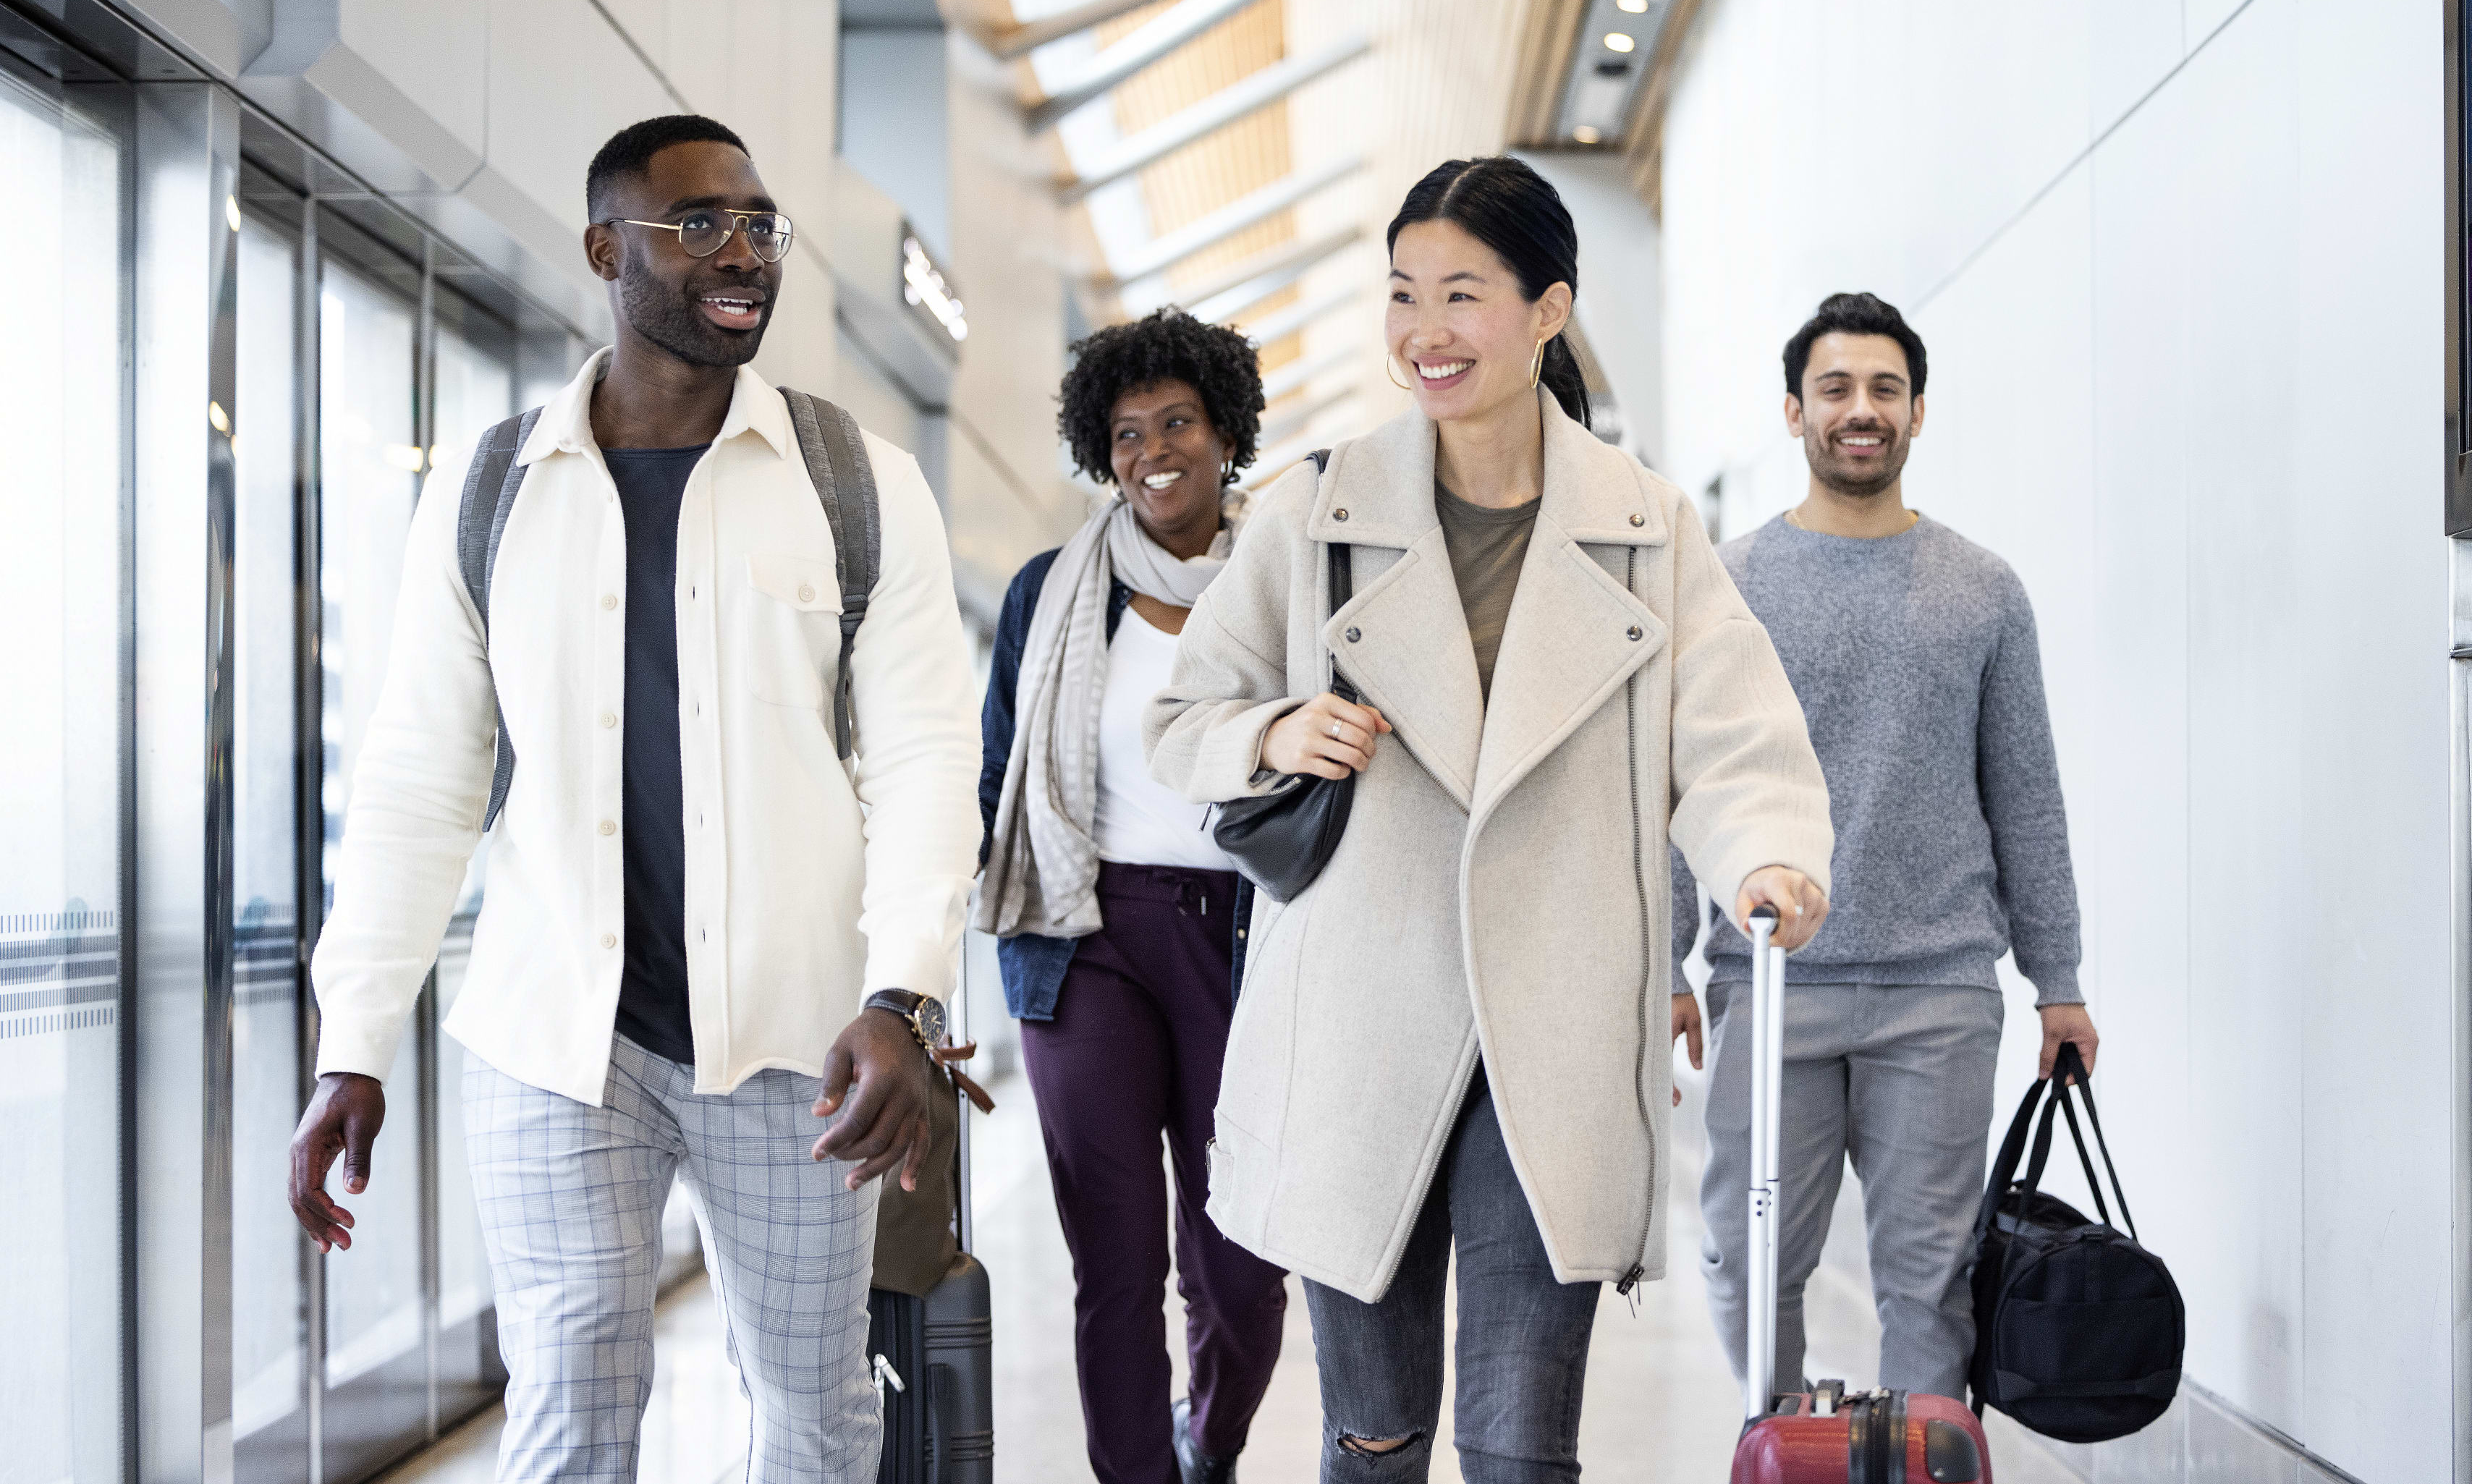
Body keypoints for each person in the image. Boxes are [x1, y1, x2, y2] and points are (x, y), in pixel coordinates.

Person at [288, 114, 982, 1483]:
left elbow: (920, 762)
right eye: (701, 223)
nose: (743, 252)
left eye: (760, 223)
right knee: (569, 1393)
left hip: (801, 1040)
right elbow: (424, 775)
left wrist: (904, 995)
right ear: (608, 249)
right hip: (555, 1037)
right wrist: (352, 1035)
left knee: (813, 1405)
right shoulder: (493, 490)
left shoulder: (862, 485)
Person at [1146, 157, 1837, 1483]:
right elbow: (1187, 717)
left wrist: (1768, 856)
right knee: (1376, 1438)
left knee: (1523, 1451)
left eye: (1463, 294)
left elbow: (1734, 724)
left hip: (1553, 1030)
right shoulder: (1317, 508)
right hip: (1362, 1022)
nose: (1425, 331)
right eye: (1404, 295)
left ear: (1548, 310)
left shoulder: (1645, 527)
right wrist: (1279, 731)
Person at [1667, 289, 2096, 1404]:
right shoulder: (1728, 583)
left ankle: (1922, 1459)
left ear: (1916, 413)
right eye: (1837, 388)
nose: (1862, 409)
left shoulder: (1985, 590)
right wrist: (1662, 958)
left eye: (1885, 389)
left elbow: (2028, 797)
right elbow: (1686, 779)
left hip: (1937, 993)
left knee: (1930, 1285)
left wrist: (2061, 980)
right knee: (1745, 1262)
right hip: (1769, 985)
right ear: (1793, 410)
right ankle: (1786, 1445)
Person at [975, 309, 1288, 1484]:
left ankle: (1207, 1438)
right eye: (1125, 432)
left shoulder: (1282, 584)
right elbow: (1001, 777)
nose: (1153, 450)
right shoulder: (1050, 592)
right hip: (1083, 937)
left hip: (1246, 937)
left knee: (1243, 1266)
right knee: (1112, 1262)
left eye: (1177, 423)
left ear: (1225, 435)